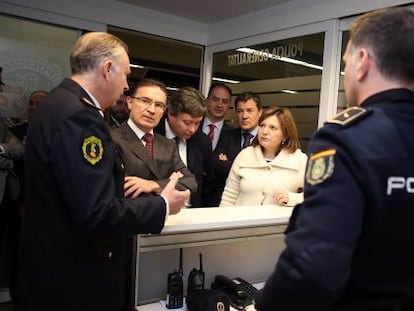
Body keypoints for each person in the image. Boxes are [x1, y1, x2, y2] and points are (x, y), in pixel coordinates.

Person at [255, 7, 414, 311]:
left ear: (362, 63)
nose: (345, 74)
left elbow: (314, 268)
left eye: (345, 64)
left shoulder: (347, 137)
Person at [16, 32, 189, 311]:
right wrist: (163, 205)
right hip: (73, 277)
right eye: (126, 75)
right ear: (107, 69)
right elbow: (96, 213)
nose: (125, 87)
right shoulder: (80, 117)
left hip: (50, 265)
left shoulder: (57, 103)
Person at [111, 78, 197, 198]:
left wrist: (155, 185)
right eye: (145, 101)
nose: (151, 110)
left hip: (164, 214)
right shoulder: (112, 139)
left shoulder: (168, 145)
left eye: (159, 105)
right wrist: (169, 183)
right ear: (130, 102)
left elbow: (190, 182)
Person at [220, 107, 307, 207]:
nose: (265, 131)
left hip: (279, 222)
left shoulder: (299, 160)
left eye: (273, 128)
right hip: (240, 221)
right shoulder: (245, 155)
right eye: (262, 125)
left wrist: (292, 199)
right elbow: (229, 196)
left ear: (285, 135)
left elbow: (318, 195)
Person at [154, 86, 211, 207]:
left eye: (197, 123)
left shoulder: (202, 141)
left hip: (191, 212)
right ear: (170, 114)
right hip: (157, 210)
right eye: (187, 123)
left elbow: (206, 181)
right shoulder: (151, 134)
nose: (192, 129)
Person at [203, 91, 262, 207]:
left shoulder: (265, 139)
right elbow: (215, 164)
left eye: (249, 110)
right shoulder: (227, 135)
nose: (244, 116)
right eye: (240, 111)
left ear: (260, 112)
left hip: (254, 204)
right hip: (225, 200)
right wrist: (249, 170)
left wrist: (229, 163)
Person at [200, 82, 233, 150]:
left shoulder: (233, 135)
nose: (219, 105)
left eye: (224, 101)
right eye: (215, 100)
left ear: (229, 105)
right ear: (207, 100)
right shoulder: (193, 126)